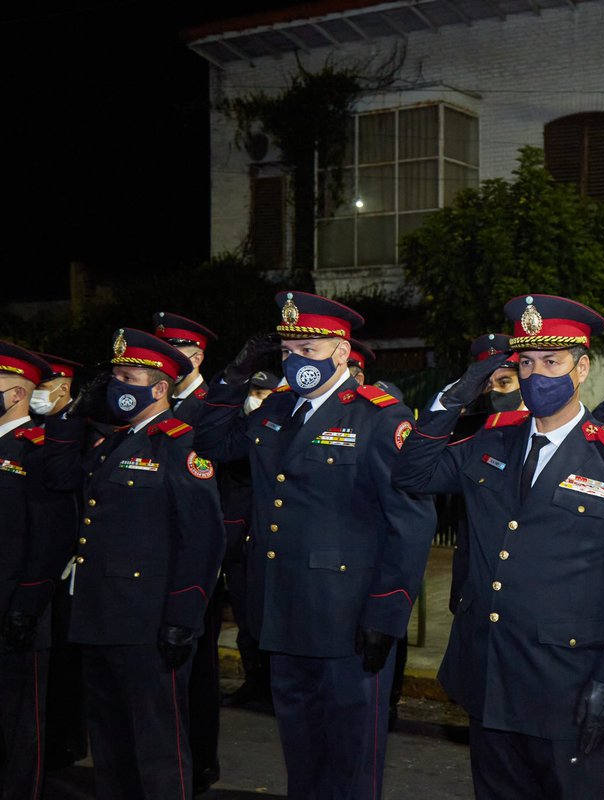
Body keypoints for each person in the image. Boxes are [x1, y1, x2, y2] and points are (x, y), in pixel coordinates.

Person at [393, 295, 604, 800]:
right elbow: (412, 473)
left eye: (552, 361)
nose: (537, 374)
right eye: (526, 362)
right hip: (489, 675)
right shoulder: (491, 440)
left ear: (582, 368)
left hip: (569, 686)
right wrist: (452, 400)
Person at [191, 290, 435, 799]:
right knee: (300, 754)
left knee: (350, 761)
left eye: (310, 349)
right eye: (288, 350)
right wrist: (235, 375)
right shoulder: (276, 409)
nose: (297, 361)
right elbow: (210, 441)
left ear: (342, 353)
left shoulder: (379, 417)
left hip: (348, 620)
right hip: (282, 611)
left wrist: (387, 615)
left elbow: (410, 523)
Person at [40, 328, 225, 800]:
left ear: (159, 387)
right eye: (115, 377)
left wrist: (183, 619)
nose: (118, 386)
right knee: (111, 746)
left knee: (157, 749)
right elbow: (60, 479)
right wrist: (67, 416)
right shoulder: (110, 443)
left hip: (148, 623)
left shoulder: (180, 444)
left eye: (129, 377)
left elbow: (202, 541)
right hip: (99, 615)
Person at [152, 310, 225, 792]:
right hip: (153, 559)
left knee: (196, 667)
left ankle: (198, 761)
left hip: (197, 555)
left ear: (195, 357)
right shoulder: (149, 402)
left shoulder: (213, 399)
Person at [0, 343, 74, 800]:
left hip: (16, 606)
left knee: (17, 723)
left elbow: (50, 538)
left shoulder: (39, 449)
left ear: (14, 394)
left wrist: (28, 603)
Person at [27, 353, 91, 772]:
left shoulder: (80, 430)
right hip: (40, 556)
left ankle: (66, 742)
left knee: (66, 659)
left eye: (43, 386)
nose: (36, 396)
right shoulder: (32, 431)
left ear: (64, 388)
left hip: (69, 561)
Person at [219, 370, 279, 712]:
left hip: (266, 539)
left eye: (268, 393)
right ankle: (254, 681)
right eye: (256, 391)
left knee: (267, 613)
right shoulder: (238, 431)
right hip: (238, 540)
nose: (261, 398)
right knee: (244, 615)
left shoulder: (271, 431)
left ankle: (272, 684)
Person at [154, 311, 217, 422]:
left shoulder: (212, 407)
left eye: (174, 355)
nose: (165, 362)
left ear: (196, 359)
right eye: (162, 354)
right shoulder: (155, 399)